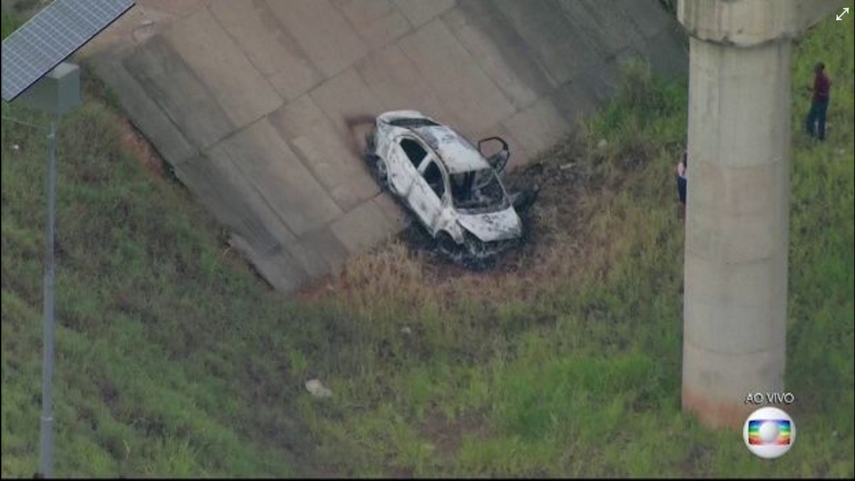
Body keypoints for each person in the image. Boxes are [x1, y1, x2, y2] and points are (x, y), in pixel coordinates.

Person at [806, 62, 831, 140]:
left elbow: (825, 93)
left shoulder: (824, 79)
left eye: (817, 68)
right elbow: (816, 89)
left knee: (821, 120)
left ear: (821, 69)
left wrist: (815, 92)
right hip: (816, 100)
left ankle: (821, 137)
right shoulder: (817, 77)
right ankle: (810, 134)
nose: (815, 69)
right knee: (810, 118)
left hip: (822, 102)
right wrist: (812, 90)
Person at [676, 150, 688, 223]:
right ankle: (685, 220)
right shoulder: (690, 168)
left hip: (681, 183)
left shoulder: (680, 165)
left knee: (682, 203)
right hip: (686, 184)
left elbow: (677, 173)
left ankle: (682, 219)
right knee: (686, 203)